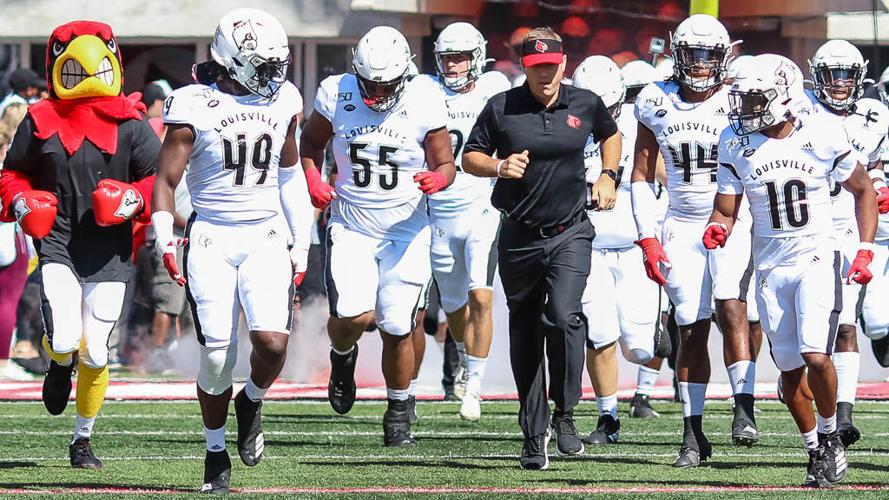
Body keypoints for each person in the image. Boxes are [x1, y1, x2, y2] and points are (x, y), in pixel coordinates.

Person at [152, 8, 311, 492]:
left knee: (272, 343)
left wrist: (300, 239)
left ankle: (253, 400)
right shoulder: (192, 104)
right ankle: (215, 450)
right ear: (231, 60)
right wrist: (164, 241)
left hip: (264, 232)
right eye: (263, 64)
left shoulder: (285, 98)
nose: (274, 75)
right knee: (217, 357)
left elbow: (288, 172)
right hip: (211, 237)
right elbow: (165, 180)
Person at [707, 53, 876, 487]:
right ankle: (815, 449)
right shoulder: (733, 141)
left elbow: (863, 190)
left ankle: (832, 433)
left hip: (817, 257)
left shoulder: (821, 133)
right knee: (787, 373)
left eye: (753, 98)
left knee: (816, 354)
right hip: (770, 264)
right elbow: (726, 208)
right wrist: (717, 228)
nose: (743, 108)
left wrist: (864, 250)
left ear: (781, 96)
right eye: (741, 98)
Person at [0, 20, 159, 468]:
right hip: (58, 239)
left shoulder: (131, 123)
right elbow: (12, 174)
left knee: (94, 348)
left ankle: (82, 438)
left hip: (109, 248)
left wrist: (135, 199)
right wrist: (20, 199)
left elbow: (159, 178)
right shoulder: (38, 119)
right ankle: (57, 360)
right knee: (67, 337)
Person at [463, 27, 621, 469]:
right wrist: (498, 165)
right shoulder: (502, 107)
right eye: (536, 68)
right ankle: (534, 434)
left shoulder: (586, 102)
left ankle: (565, 415)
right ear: (525, 68)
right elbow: (468, 157)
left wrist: (609, 174)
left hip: (571, 231)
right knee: (527, 329)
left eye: (551, 67)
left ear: (563, 64)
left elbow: (611, 134)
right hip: (519, 236)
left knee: (564, 315)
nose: (544, 76)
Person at [300, 26, 455, 447]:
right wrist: (313, 178)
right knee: (353, 315)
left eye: (384, 84)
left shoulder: (424, 97)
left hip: (406, 229)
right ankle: (343, 356)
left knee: (397, 324)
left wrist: (437, 180)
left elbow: (446, 163)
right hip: (351, 223)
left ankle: (399, 409)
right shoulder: (336, 92)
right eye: (369, 82)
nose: (375, 92)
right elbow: (310, 145)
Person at [630, 14, 759, 468]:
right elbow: (642, 174)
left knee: (730, 301)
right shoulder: (653, 99)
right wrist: (647, 236)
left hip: (732, 217)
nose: (702, 65)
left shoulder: (740, 95)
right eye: (693, 54)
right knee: (690, 325)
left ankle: (743, 404)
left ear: (723, 57)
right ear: (677, 53)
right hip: (681, 222)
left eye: (710, 55)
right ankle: (692, 432)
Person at [574, 55, 670, 444]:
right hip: (587, 245)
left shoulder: (639, 125)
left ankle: (663, 330)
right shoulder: (565, 124)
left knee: (641, 348)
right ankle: (607, 418)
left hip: (634, 246)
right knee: (599, 334)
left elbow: (666, 176)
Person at [419, 22, 511, 422]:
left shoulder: (495, 89)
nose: (454, 65)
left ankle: (474, 386)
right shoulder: (424, 92)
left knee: (481, 296)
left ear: (477, 57)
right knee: (456, 310)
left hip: (482, 205)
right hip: (439, 211)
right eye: (447, 57)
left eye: (460, 57)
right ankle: (460, 355)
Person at [804, 39, 889, 449]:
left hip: (852, 224)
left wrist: (880, 186)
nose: (840, 83)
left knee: (848, 323)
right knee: (810, 331)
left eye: (847, 75)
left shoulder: (875, 115)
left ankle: (845, 413)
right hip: (807, 228)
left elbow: (875, 168)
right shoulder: (799, 111)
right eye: (832, 74)